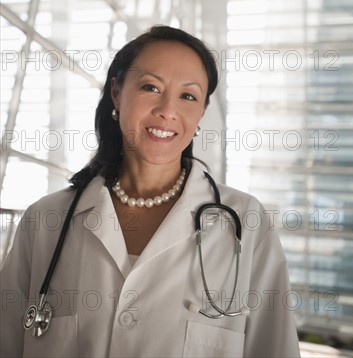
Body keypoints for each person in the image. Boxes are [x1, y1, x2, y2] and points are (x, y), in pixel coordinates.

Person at [1, 25, 300, 358]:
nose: (167, 110)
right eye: (150, 87)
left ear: (201, 112)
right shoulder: (46, 221)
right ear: (116, 92)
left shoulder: (246, 223)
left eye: (188, 95)